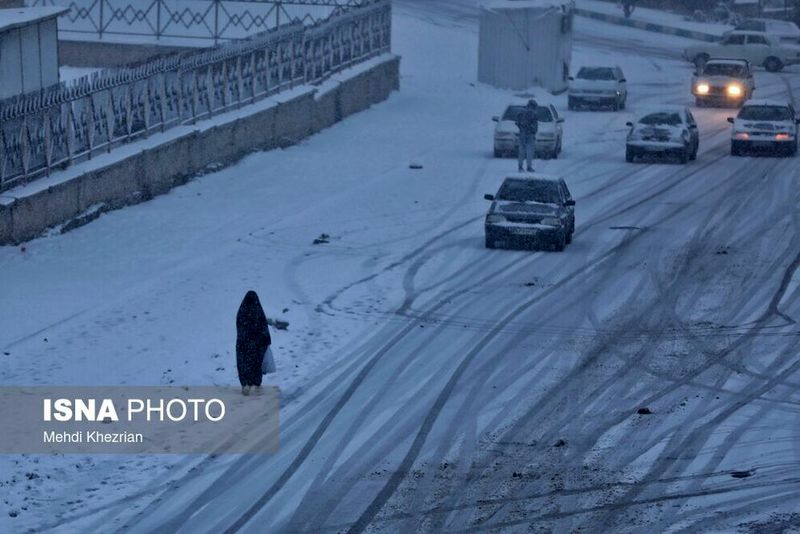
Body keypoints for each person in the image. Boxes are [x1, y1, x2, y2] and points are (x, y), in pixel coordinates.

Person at [235, 290, 271, 395]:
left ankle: (245, 385)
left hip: (243, 344)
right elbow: (263, 326)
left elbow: (239, 326)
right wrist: (265, 341)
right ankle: (256, 384)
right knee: (256, 365)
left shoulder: (242, 311)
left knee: (243, 365)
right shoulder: (258, 310)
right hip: (257, 345)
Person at [515, 100, 538, 172]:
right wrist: (531, 129)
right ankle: (528, 166)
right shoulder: (533, 114)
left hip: (523, 134)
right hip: (529, 135)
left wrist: (521, 127)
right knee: (529, 152)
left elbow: (517, 122)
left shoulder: (521, 112)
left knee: (522, 151)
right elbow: (535, 125)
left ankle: (521, 166)